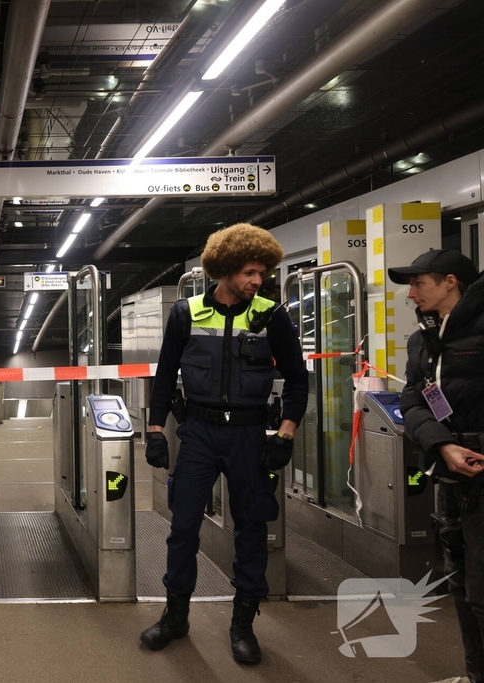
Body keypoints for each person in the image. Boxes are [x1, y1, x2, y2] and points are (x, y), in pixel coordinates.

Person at [140, 223, 308, 664]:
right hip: (198, 432)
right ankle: (175, 616)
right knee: (183, 526)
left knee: (250, 529)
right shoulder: (187, 313)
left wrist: (286, 432)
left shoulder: (272, 315)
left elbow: (297, 378)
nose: (257, 281)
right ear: (225, 270)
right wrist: (154, 431)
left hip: (249, 436)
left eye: (262, 273)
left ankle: (243, 624)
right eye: (250, 272)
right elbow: (164, 377)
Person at [390, 248, 483, 683]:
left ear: (450, 282)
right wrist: (442, 445)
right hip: (449, 470)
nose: (411, 294)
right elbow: (413, 400)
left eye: (418, 283)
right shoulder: (422, 340)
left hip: (480, 466)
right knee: (460, 582)